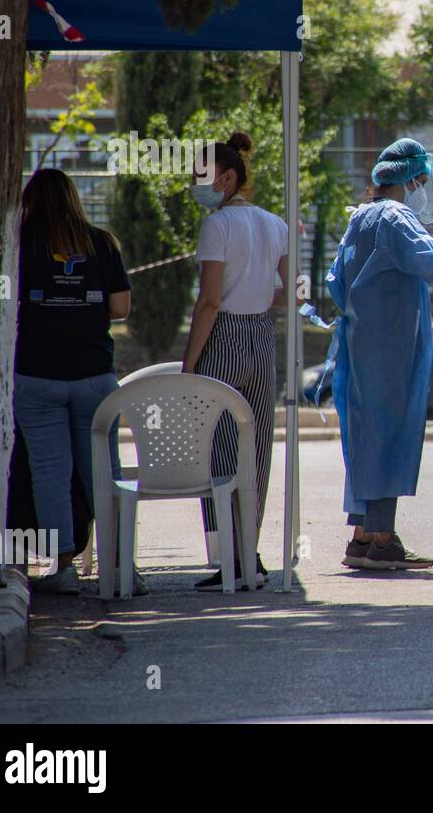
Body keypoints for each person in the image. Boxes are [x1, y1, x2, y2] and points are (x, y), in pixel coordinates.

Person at [327, 138, 433, 571]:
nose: (424, 188)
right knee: (389, 437)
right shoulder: (395, 217)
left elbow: (333, 281)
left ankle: (363, 535)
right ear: (409, 180)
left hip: (363, 344)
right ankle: (383, 541)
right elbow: (432, 264)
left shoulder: (361, 217)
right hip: (392, 348)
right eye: (421, 180)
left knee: (367, 439)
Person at [15, 168, 133, 594]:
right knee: (105, 471)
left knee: (49, 473)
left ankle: (62, 567)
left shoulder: (19, 244)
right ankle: (120, 566)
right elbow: (120, 307)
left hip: (35, 376)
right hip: (95, 377)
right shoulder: (100, 242)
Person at [182, 132, 288, 590]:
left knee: (218, 449)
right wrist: (257, 292)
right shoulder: (275, 223)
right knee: (257, 448)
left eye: (203, 178)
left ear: (227, 178)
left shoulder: (218, 225)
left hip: (222, 335)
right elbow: (289, 293)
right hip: (262, 336)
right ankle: (251, 552)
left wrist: (189, 365)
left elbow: (207, 302)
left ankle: (230, 556)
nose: (198, 186)